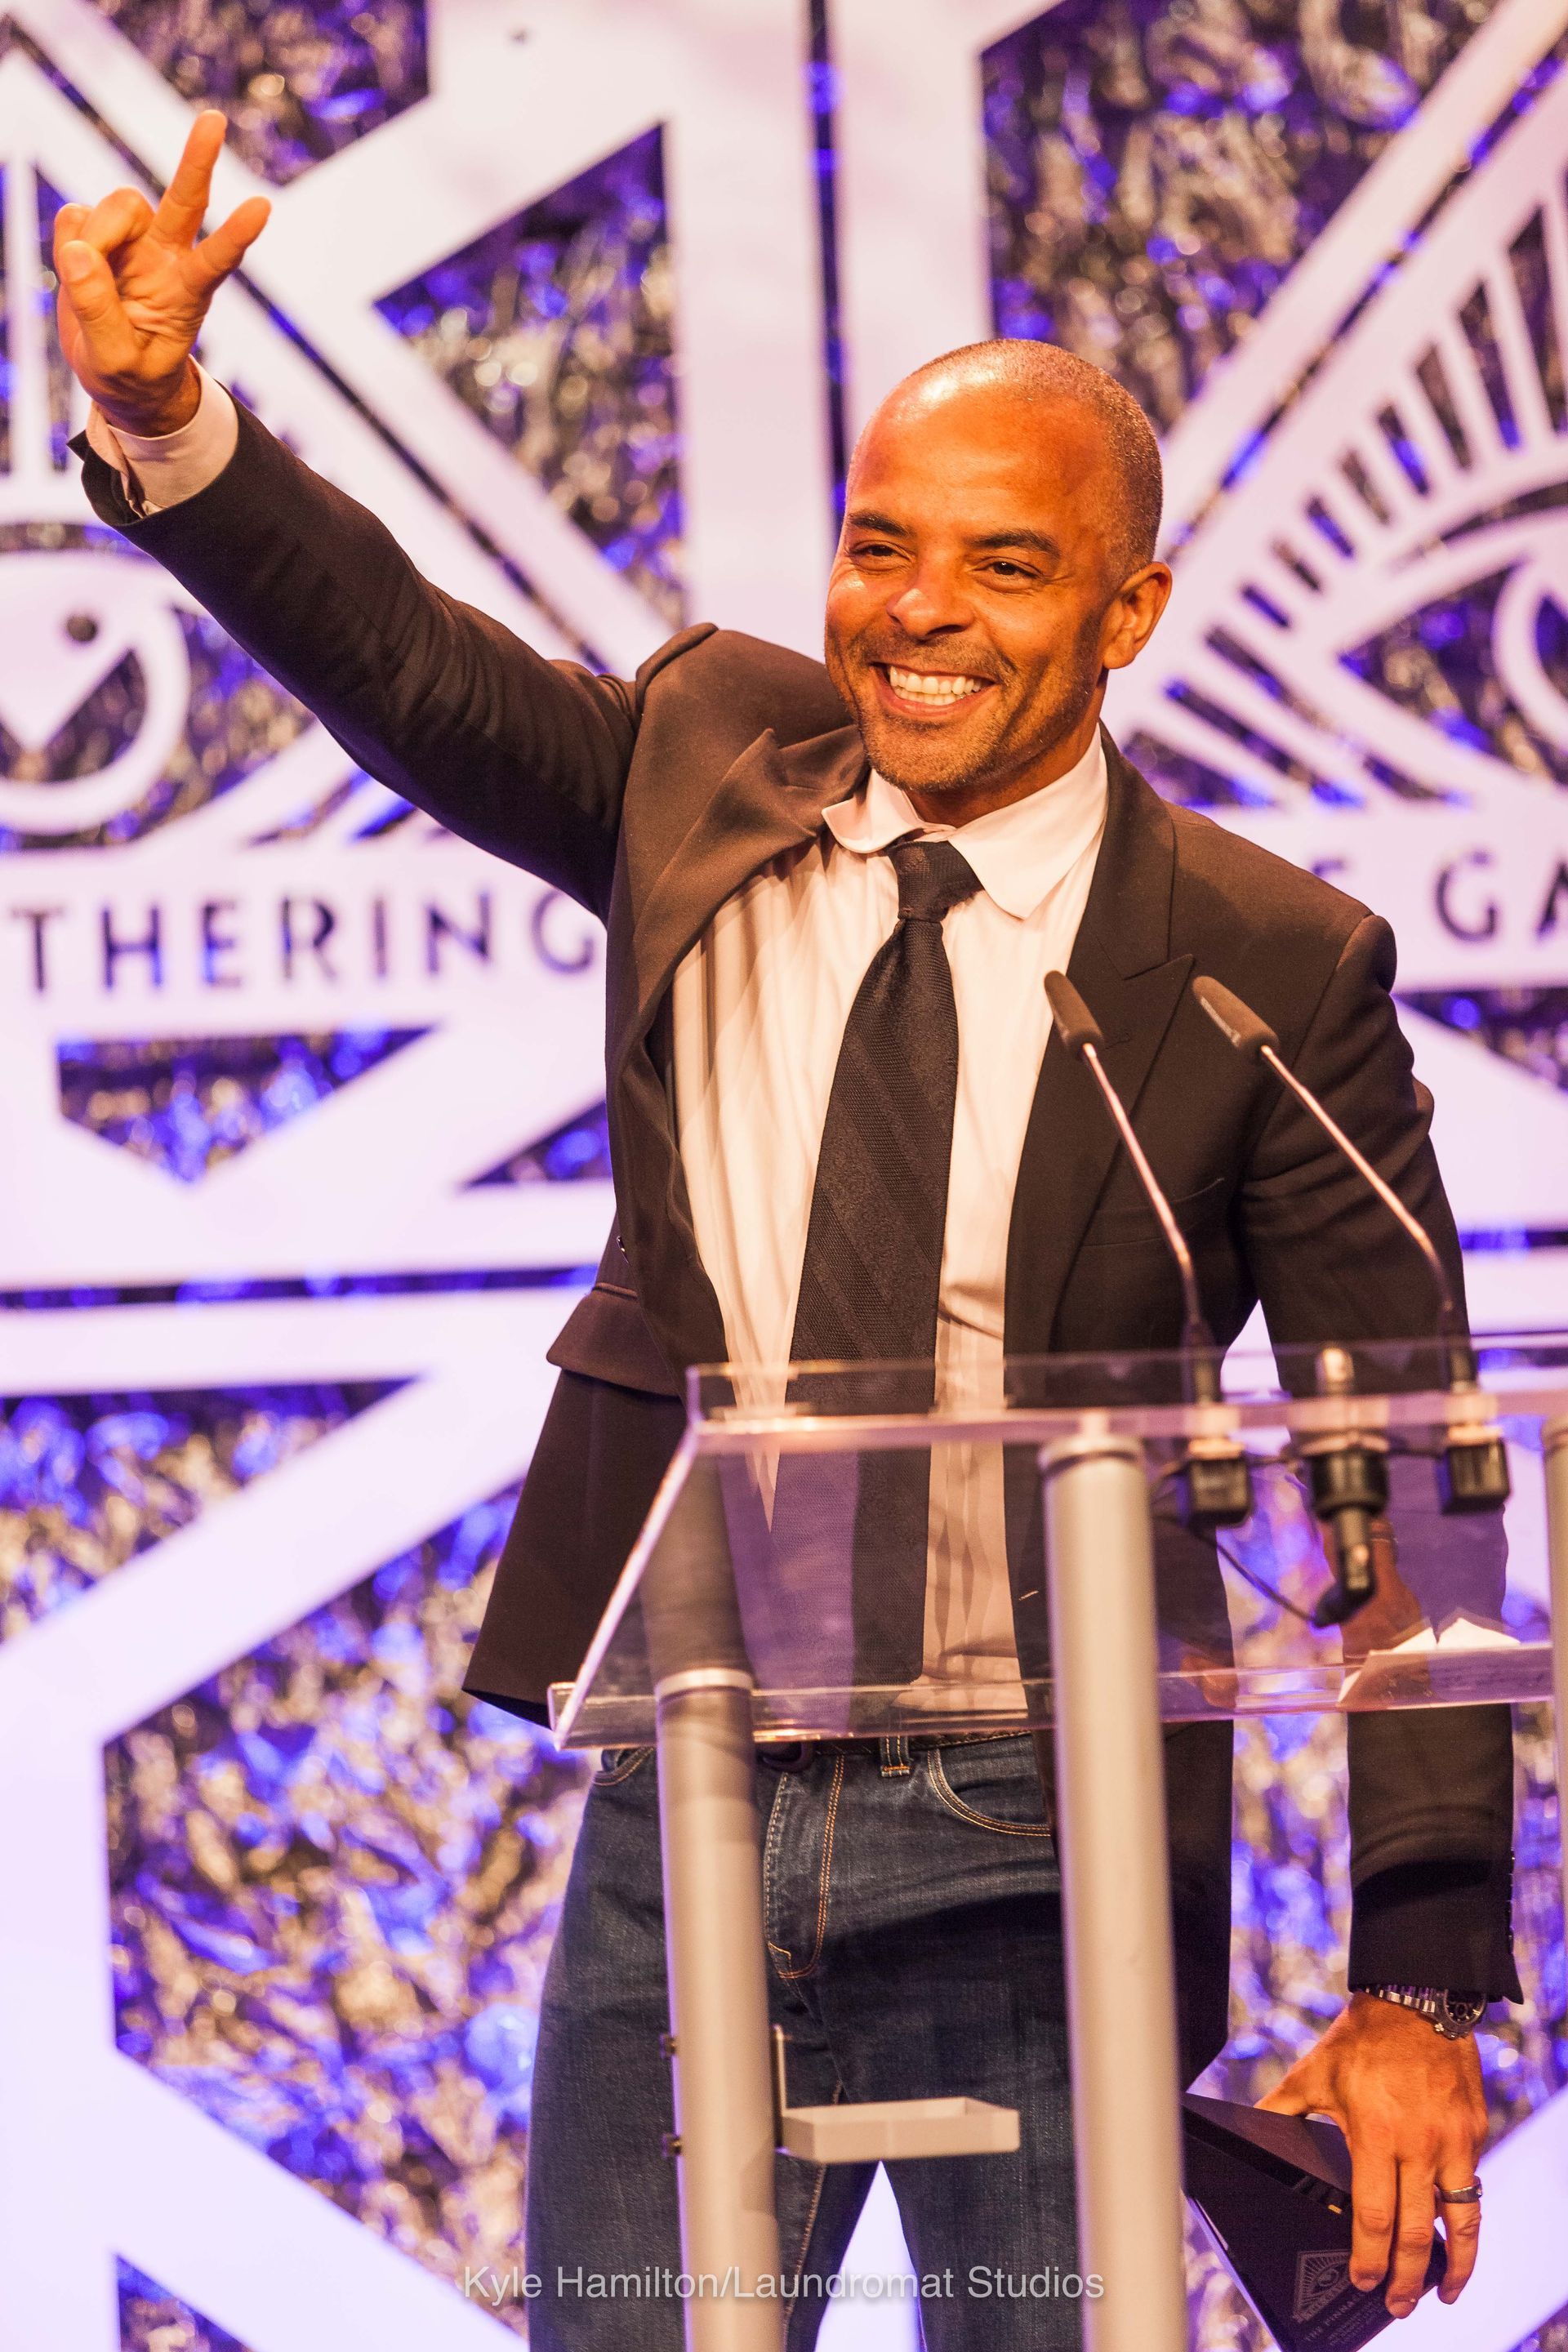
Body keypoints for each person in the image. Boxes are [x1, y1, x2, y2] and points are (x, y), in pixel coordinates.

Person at [56, 110, 1515, 2350]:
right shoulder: (708, 765)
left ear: (1129, 608)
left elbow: (1399, 1470)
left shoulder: (1256, 968)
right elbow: (412, 668)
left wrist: (1416, 1978)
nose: (915, 614)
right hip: (704, 1798)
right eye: (878, 545)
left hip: (1064, 1840)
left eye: (1005, 568)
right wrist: (167, 419)